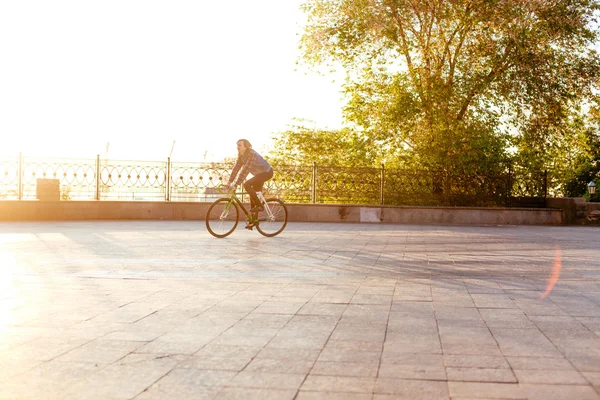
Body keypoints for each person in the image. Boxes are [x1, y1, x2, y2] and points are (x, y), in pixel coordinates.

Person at [224, 139, 273, 228]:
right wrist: (229, 182)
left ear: (246, 147)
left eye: (240, 145)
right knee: (253, 194)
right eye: (237, 145)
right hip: (259, 174)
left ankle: (260, 206)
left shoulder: (252, 154)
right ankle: (254, 221)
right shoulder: (241, 156)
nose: (237, 147)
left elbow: (245, 171)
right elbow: (236, 169)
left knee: (246, 184)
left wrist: (236, 185)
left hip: (267, 173)